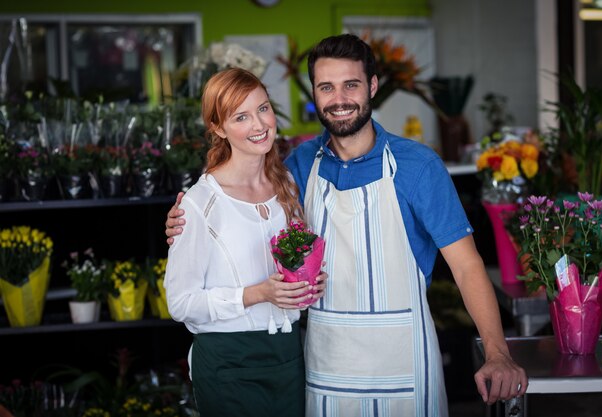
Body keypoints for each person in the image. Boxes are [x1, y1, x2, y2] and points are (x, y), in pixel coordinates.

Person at [166, 34, 528, 416]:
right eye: (326, 87)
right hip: (325, 367)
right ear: (315, 93)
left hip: (405, 364)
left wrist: (497, 352)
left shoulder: (418, 166)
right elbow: (238, 194)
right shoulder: (298, 168)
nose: (338, 99)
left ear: (372, 86)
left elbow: (467, 265)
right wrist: (186, 216)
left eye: (350, 85)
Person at [163, 67, 327, 417]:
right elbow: (180, 303)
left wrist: (309, 284)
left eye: (263, 109)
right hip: (228, 363)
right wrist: (258, 294)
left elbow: (293, 269)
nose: (259, 124)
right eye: (241, 116)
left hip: (289, 356)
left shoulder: (287, 188)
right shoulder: (200, 203)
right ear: (218, 128)